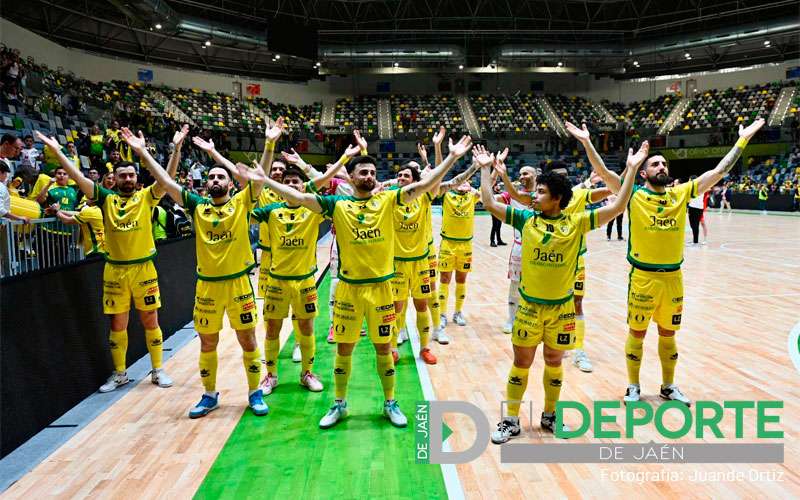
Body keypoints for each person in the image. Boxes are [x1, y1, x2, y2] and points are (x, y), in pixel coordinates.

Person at [259, 136, 473, 430]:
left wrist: (450, 158)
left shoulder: (388, 199)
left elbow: (425, 186)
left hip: (382, 289)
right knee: (343, 350)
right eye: (363, 172)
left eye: (373, 172)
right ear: (351, 176)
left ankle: (390, 403)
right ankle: (339, 404)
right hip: (349, 290)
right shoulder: (337, 204)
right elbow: (298, 197)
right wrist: (265, 180)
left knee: (384, 349)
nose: (369, 176)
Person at [590, 118, 765, 406]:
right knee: (637, 332)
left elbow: (719, 171)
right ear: (644, 172)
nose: (662, 168)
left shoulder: (680, 194)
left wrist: (742, 139)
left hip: (673, 278)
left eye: (664, 165)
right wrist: (589, 142)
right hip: (643, 277)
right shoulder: (632, 193)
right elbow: (603, 172)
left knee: (668, 335)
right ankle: (633, 385)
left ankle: (668, 386)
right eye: (655, 164)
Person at [481, 142, 643, 443]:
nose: (534, 196)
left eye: (540, 192)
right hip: (529, 308)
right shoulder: (526, 219)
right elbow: (489, 203)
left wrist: (632, 169)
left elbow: (619, 205)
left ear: (556, 198)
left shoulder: (577, 222)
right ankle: (511, 420)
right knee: (521, 364)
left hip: (562, 310)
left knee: (555, 362)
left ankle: (549, 416)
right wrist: (484, 170)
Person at [130, 127, 270, 418]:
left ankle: (255, 393)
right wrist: (145, 152)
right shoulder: (197, 206)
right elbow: (165, 181)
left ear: (231, 184)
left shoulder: (242, 202)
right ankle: (209, 395)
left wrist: (269, 143)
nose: (215, 180)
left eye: (221, 176)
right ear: (205, 185)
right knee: (208, 342)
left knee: (248, 341)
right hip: (207, 286)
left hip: (239, 285)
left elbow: (260, 178)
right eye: (211, 177)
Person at [34, 127, 178, 394]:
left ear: (137, 178)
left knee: (150, 320)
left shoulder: (146, 197)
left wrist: (174, 149)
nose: (126, 178)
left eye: (131, 175)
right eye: (121, 175)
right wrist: (58, 151)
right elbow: (77, 177)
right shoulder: (105, 198)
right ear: (115, 178)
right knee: (117, 324)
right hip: (115, 271)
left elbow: (167, 178)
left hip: (143, 268)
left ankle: (158, 369)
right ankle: (121, 373)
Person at [251, 165, 330, 395]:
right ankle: (271, 376)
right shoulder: (271, 211)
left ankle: (307, 373)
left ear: (302, 186)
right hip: (277, 281)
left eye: (296, 182)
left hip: (305, 281)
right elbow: (244, 216)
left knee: (306, 328)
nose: (292, 185)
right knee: (272, 329)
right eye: (288, 182)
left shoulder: (313, 210)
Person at [436, 151, 483, 338]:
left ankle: (457, 312)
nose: (465, 184)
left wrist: (490, 169)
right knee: (445, 280)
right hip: (448, 244)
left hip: (466, 245)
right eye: (461, 181)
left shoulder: (473, 196)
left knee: (461, 280)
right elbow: (438, 179)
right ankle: (441, 314)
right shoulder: (447, 195)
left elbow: (489, 188)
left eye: (467, 182)